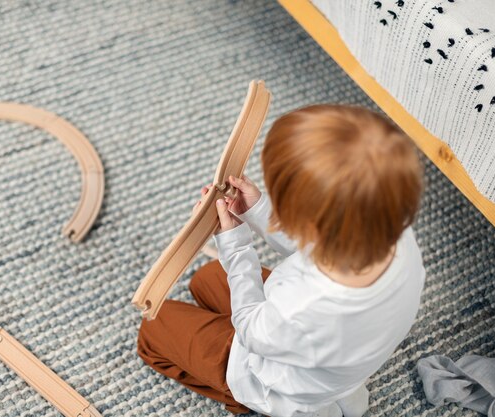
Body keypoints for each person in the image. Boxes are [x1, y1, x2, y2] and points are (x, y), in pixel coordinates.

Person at [137, 105, 426, 417]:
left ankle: (251, 403)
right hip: (334, 363)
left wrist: (235, 247)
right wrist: (259, 211)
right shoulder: (396, 234)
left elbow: (250, 329)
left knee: (153, 330)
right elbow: (312, 246)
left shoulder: (302, 305)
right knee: (206, 279)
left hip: (277, 382)